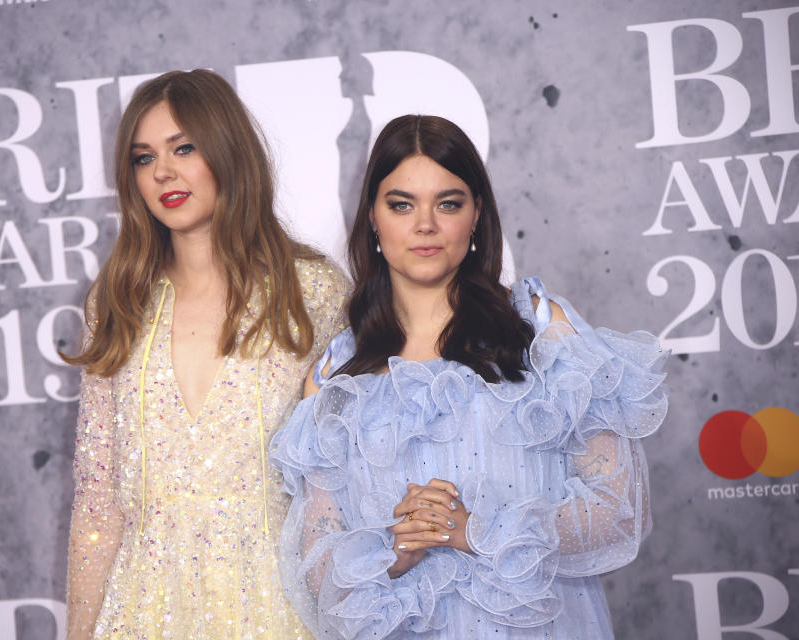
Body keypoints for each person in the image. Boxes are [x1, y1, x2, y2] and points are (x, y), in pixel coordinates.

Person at [270, 115, 668, 639]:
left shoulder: (543, 334)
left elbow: (620, 513)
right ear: (372, 216)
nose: (425, 225)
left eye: (449, 203)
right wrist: (396, 546)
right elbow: (319, 579)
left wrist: (478, 529)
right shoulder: (336, 379)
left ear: (477, 214)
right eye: (402, 204)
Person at [64, 69, 350, 639]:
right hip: (142, 613)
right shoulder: (117, 300)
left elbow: (343, 483)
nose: (163, 172)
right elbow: (98, 500)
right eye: (143, 159)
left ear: (227, 151)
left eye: (184, 148)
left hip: (279, 608)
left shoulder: (311, 291)